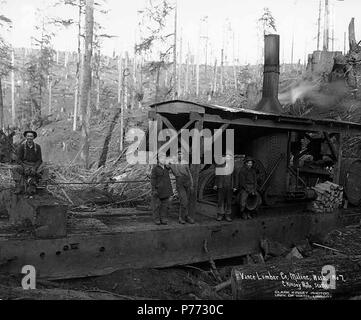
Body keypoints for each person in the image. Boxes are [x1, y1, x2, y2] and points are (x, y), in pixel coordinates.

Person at [12, 130, 45, 195]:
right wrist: (25, 167)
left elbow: (39, 160)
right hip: (24, 164)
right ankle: (19, 186)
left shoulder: (37, 147)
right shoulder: (22, 147)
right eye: (28, 136)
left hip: (34, 165)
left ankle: (39, 184)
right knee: (15, 168)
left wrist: (34, 168)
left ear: (33, 137)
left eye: (31, 136)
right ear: (26, 137)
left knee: (45, 167)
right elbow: (19, 159)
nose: (29, 137)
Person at [168, 149, 195, 224]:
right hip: (180, 183)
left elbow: (189, 175)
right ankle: (181, 217)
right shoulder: (172, 163)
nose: (180, 155)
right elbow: (164, 168)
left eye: (181, 154)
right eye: (178, 153)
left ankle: (186, 216)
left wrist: (192, 185)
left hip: (187, 182)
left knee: (187, 201)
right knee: (184, 201)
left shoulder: (185, 163)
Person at [150, 153, 173, 225]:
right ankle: (156, 219)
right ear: (158, 160)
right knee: (156, 206)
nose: (163, 160)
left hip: (166, 190)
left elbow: (172, 165)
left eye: (164, 158)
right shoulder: (155, 169)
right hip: (158, 190)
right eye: (161, 158)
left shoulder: (166, 168)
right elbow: (153, 180)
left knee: (164, 206)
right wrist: (154, 190)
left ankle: (163, 218)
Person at [213, 151, 236, 222]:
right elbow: (216, 176)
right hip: (221, 186)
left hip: (229, 186)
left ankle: (228, 215)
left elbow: (235, 177)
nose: (228, 158)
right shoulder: (220, 165)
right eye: (227, 157)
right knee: (220, 201)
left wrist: (235, 186)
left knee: (228, 201)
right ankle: (220, 215)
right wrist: (216, 184)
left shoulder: (233, 167)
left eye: (229, 157)